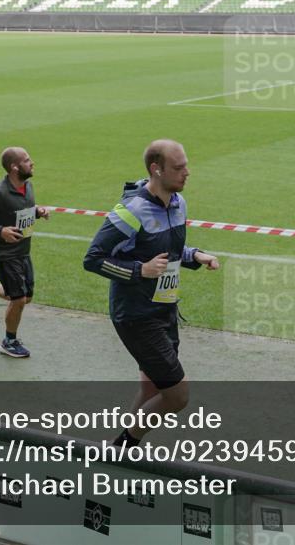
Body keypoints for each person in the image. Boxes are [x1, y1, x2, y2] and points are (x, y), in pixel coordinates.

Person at [84, 139, 219, 447]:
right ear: (156, 170)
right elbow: (93, 258)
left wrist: (195, 255)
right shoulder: (131, 210)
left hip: (164, 309)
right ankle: (126, 444)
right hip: (135, 315)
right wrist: (138, 271)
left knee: (152, 389)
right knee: (176, 394)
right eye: (179, 167)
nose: (187, 172)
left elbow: (167, 250)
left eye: (186, 164)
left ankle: (119, 447)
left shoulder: (177, 202)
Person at [0, 146, 49, 358]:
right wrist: (0, 230)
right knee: (19, 299)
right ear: (15, 167)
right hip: (5, 254)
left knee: (26, 297)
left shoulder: (27, 186)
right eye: (27, 160)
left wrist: (37, 212)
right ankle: (9, 341)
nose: (32, 163)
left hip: (23, 251)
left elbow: (20, 210)